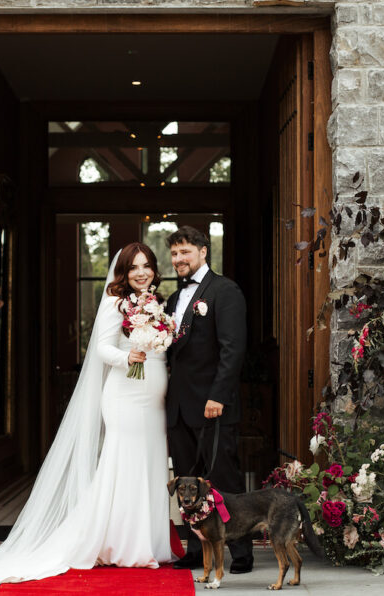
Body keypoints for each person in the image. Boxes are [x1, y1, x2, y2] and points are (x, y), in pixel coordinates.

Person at [0, 243, 173, 585]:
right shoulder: (115, 303)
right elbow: (102, 349)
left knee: (150, 462)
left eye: (147, 266)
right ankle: (122, 544)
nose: (142, 273)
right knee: (123, 462)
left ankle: (149, 541)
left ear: (154, 269)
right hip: (125, 393)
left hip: (154, 394)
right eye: (134, 267)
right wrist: (128, 359)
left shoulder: (156, 303)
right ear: (123, 272)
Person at [165, 225, 252, 573]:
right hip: (179, 408)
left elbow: (233, 349)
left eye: (185, 251)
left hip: (212, 405)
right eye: (174, 253)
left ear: (203, 251)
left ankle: (241, 552)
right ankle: (195, 550)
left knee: (223, 480)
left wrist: (218, 396)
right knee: (188, 482)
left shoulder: (224, 290)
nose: (178, 259)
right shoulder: (173, 299)